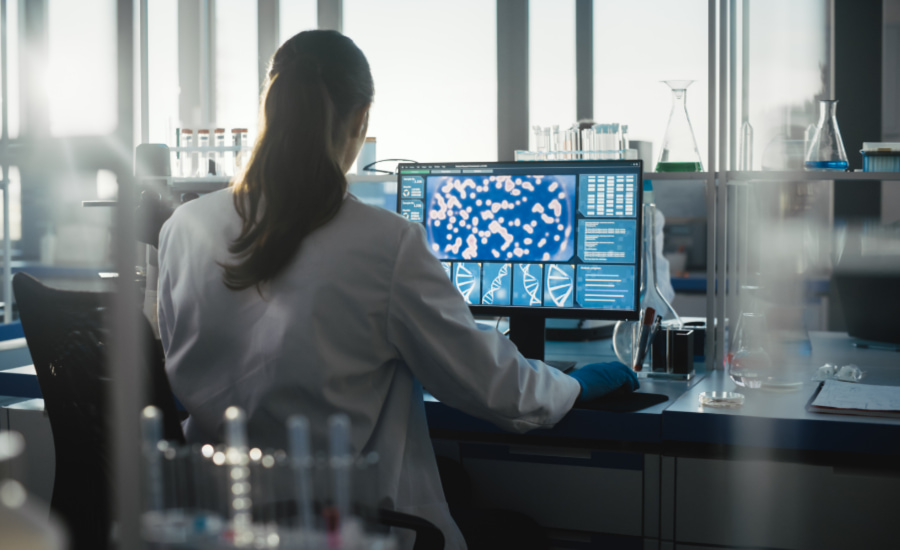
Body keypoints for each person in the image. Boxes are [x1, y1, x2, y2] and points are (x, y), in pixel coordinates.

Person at [157, 30, 638, 549]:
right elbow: (502, 393)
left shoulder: (184, 227)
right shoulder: (383, 243)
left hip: (216, 525)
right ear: (361, 121)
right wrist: (578, 386)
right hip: (347, 529)